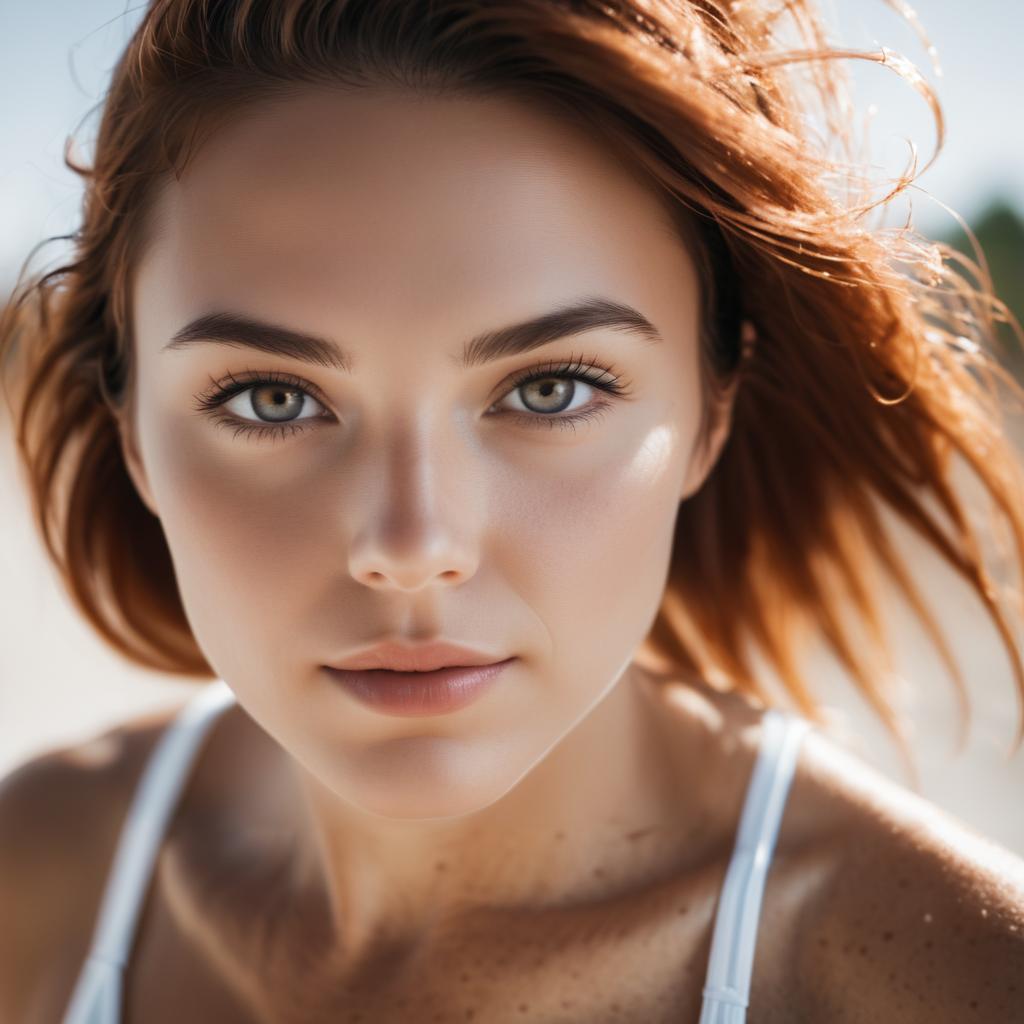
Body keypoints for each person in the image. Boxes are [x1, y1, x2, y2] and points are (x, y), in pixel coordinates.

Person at [1, 0, 1023, 1020]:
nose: (411, 548)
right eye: (274, 399)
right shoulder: (40, 873)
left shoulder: (946, 976)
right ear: (132, 430)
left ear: (712, 408)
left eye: (550, 389)